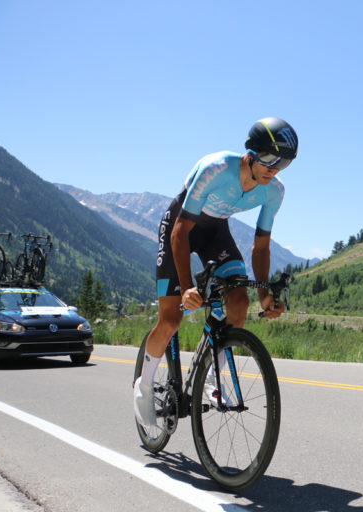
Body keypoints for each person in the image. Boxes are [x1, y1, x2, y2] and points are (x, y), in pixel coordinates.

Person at [133, 117, 298, 427]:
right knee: (171, 320)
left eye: (284, 162)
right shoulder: (216, 168)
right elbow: (180, 231)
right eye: (269, 159)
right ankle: (143, 386)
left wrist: (264, 294)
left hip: (215, 233)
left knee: (239, 303)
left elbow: (260, 248)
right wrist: (185, 289)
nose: (275, 168)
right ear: (252, 151)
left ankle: (211, 378)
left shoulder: (274, 191)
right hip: (180, 227)